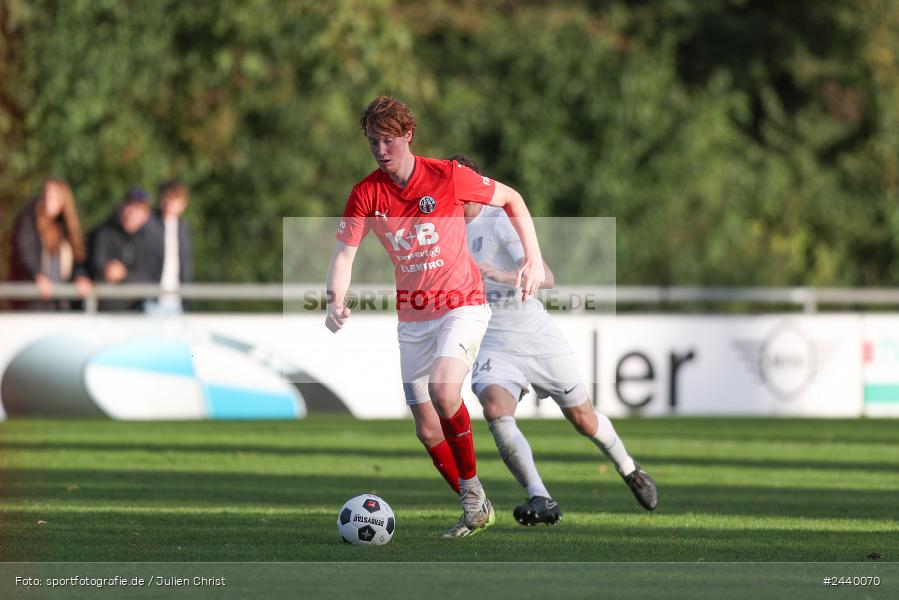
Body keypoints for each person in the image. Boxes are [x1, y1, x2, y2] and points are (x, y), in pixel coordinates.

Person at [325, 96, 547, 538]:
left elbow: (512, 199)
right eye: (373, 142)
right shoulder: (366, 193)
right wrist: (335, 298)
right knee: (428, 429)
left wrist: (534, 260)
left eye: (388, 140)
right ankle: (476, 501)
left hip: (462, 304)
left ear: (408, 135)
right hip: (414, 318)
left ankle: (470, 495)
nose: (381, 150)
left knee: (446, 391)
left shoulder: (448, 175)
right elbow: (344, 252)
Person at [455, 154, 658, 531]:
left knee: (584, 419)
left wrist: (497, 273)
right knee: (495, 408)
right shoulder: (448, 229)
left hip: (534, 336)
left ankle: (629, 469)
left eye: (461, 189)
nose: (456, 197)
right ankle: (540, 495)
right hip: (492, 340)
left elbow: (546, 276)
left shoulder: (498, 221)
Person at [8, 179, 93, 310]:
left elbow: (77, 259)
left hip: (60, 302)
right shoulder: (28, 221)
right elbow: (24, 253)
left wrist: (80, 276)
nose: (49, 200)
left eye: (54, 197)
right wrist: (37, 275)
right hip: (34, 301)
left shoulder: (65, 229)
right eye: (47, 196)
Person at [90, 187, 164, 312]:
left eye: (138, 209)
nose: (131, 213)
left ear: (145, 215)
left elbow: (152, 280)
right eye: (129, 206)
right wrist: (107, 270)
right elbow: (93, 264)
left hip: (138, 314)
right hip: (103, 312)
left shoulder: (150, 240)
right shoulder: (103, 233)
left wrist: (124, 275)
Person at [154, 180, 194, 313]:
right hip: (154, 298)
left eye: (175, 199)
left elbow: (185, 265)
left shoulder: (183, 228)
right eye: (167, 198)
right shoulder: (149, 226)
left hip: (177, 299)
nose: (170, 203)